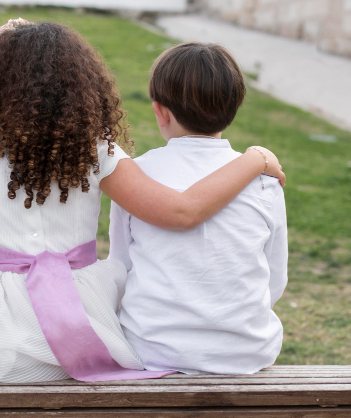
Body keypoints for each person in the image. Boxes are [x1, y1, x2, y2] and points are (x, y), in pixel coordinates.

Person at [0, 19, 285, 383]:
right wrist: (255, 159)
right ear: (80, 87)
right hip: (85, 328)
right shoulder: (98, 154)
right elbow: (181, 212)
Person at [110, 42, 287, 375]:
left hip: (151, 348)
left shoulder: (137, 176)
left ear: (160, 111)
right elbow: (274, 278)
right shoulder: (265, 181)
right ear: (234, 107)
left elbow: (121, 267)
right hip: (245, 352)